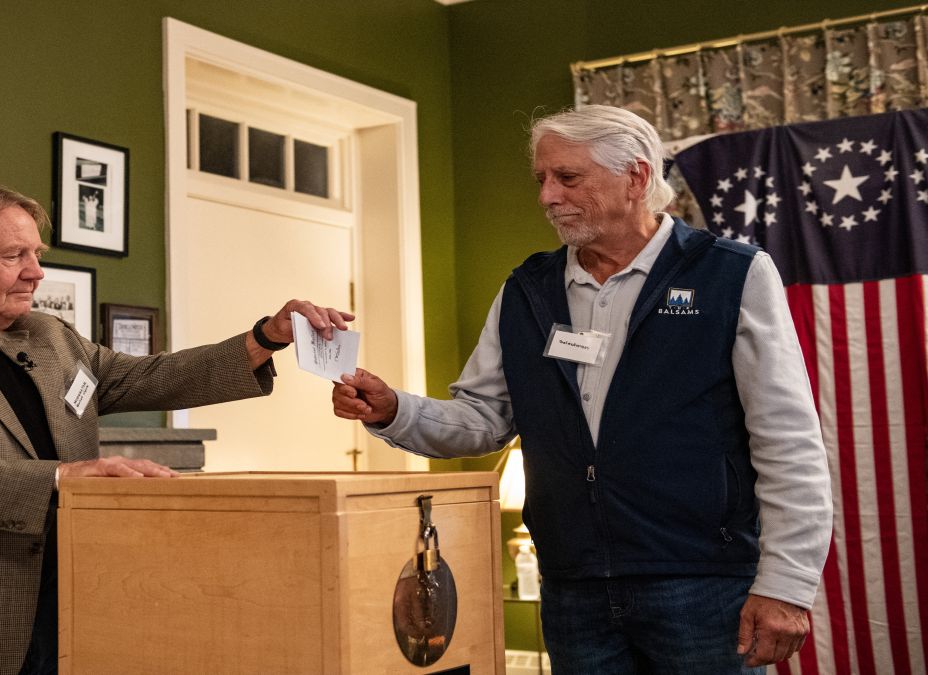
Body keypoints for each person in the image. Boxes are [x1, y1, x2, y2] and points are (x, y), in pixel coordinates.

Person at [332, 105, 832, 673]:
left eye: (568, 178)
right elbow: (485, 417)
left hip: (703, 585)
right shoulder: (528, 289)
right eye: (542, 179)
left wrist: (787, 584)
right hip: (574, 589)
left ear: (637, 178)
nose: (547, 196)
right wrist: (394, 409)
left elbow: (788, 440)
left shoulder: (730, 274)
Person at [0, 182, 350, 675]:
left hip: (65, 601)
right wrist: (62, 478)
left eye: (36, 254)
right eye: (13, 256)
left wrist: (266, 336)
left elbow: (153, 377)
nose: (36, 272)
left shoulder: (47, 337)